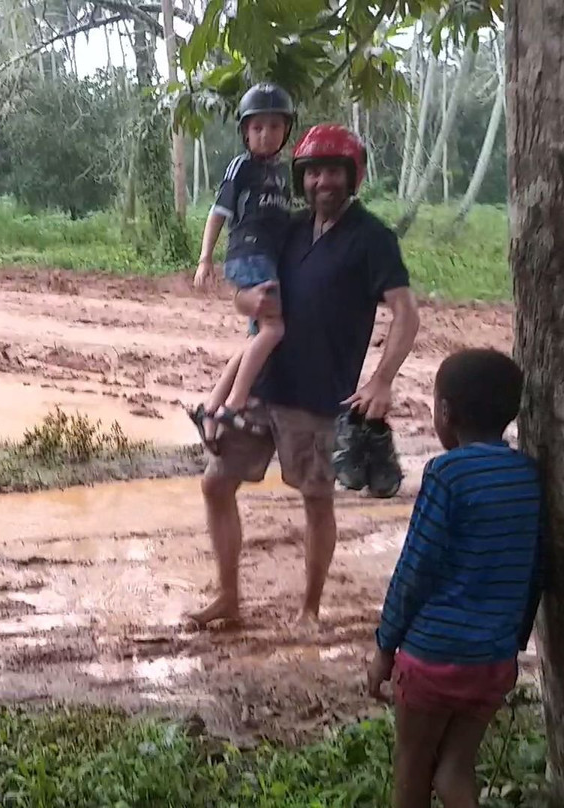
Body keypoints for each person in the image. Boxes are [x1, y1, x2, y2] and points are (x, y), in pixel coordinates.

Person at [187, 123, 421, 628]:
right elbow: (245, 292)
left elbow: (406, 312)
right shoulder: (289, 229)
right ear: (302, 179)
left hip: (319, 397)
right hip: (266, 384)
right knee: (215, 485)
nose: (322, 183)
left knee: (316, 501)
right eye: (313, 172)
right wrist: (244, 300)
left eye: (333, 171)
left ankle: (309, 609)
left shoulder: (372, 238)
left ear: (352, 175)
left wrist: (382, 379)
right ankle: (229, 597)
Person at [367, 349, 542, 808]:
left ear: (445, 412)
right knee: (455, 769)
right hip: (493, 661)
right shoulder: (528, 474)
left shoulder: (447, 473)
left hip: (433, 656)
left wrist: (385, 646)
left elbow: (415, 569)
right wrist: (511, 642)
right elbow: (532, 568)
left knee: (412, 768)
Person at [192, 83, 296, 450]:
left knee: (257, 338)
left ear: (286, 131)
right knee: (273, 328)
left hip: (271, 259)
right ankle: (235, 405)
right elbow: (218, 214)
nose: (265, 134)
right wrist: (205, 258)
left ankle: (210, 407)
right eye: (257, 128)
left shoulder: (285, 174)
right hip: (249, 255)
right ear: (245, 133)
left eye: (274, 126)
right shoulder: (242, 167)